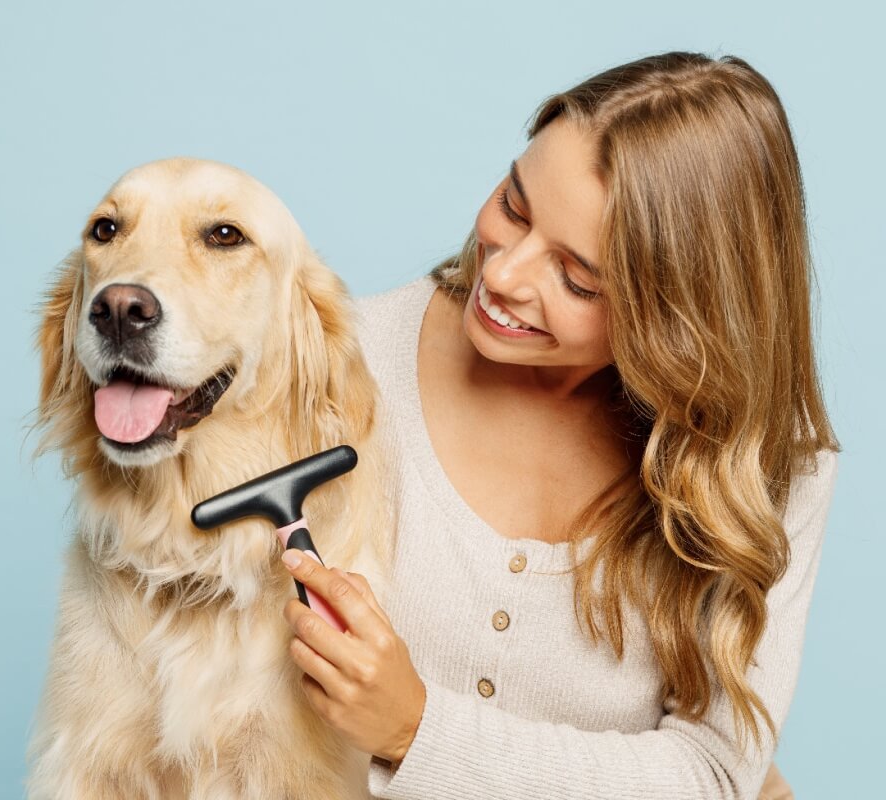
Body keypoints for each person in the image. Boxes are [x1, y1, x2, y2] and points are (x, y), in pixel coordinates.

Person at [277, 51, 839, 799]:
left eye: (577, 278)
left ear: (678, 318)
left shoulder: (769, 463)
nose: (503, 276)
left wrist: (417, 731)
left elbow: (712, 772)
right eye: (513, 204)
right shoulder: (339, 369)